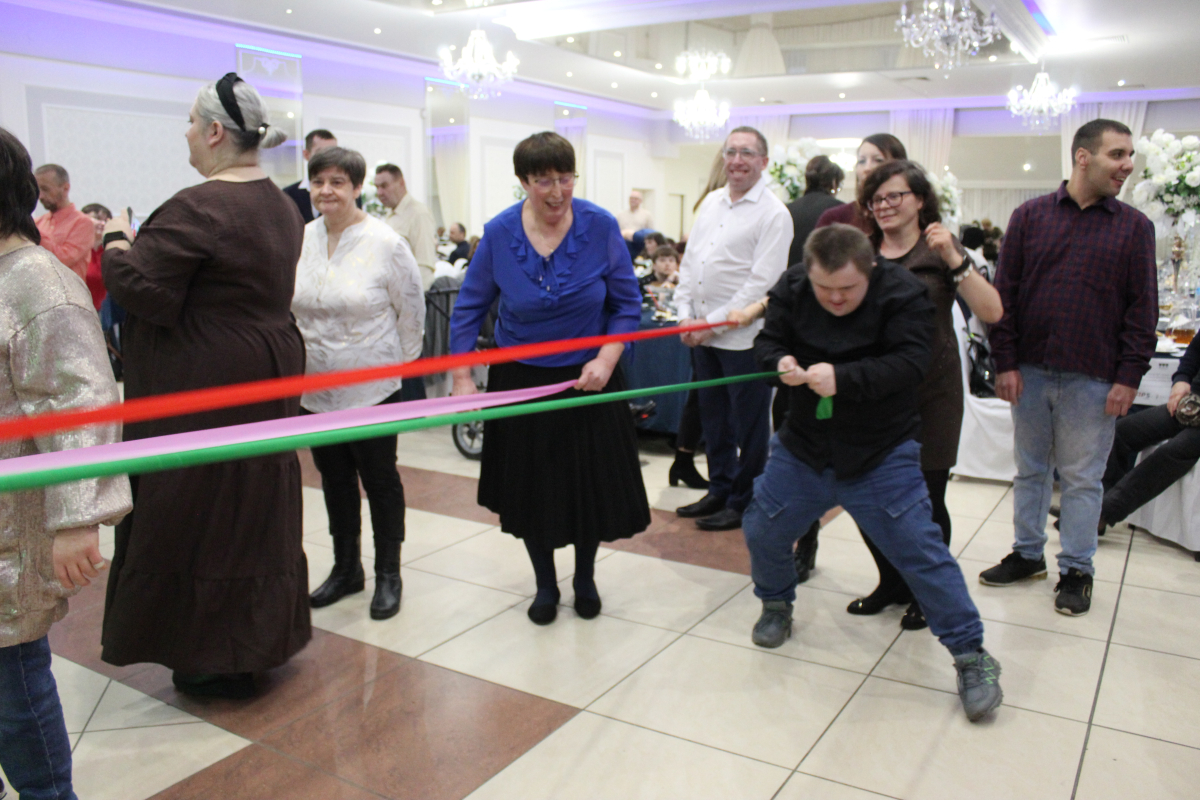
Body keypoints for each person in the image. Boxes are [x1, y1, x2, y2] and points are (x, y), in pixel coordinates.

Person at [100, 73, 310, 699]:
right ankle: (252, 643)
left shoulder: (200, 206)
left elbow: (141, 287)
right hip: (267, 370)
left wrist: (115, 238)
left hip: (209, 383)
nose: (186, 133)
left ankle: (207, 651)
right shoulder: (279, 203)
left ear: (216, 131)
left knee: (198, 506)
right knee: (254, 504)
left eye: (192, 122)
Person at [743, 223, 1004, 722]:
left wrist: (842, 378)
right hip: (804, 446)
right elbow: (767, 342)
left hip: (880, 450)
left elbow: (911, 364)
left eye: (848, 288)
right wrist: (780, 361)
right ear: (808, 274)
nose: (835, 298)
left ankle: (972, 655)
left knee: (921, 553)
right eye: (824, 288)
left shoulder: (904, 293)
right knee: (761, 528)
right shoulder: (793, 286)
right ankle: (776, 604)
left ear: (870, 270)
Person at [448, 131, 649, 625]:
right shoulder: (499, 233)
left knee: (587, 486)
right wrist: (462, 377)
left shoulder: (600, 226)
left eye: (565, 178)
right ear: (523, 182)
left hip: (589, 377)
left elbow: (627, 305)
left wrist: (607, 359)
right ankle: (544, 583)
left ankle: (584, 577)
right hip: (520, 380)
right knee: (531, 488)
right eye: (543, 181)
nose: (557, 192)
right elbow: (468, 308)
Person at [0, 126, 132, 800]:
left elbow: (81, 404)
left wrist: (77, 519)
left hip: (14, 524)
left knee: (14, 680)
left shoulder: (37, 282)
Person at [979, 119, 1157, 616]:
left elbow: (1142, 311)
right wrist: (1006, 362)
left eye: (1130, 155)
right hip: (1029, 371)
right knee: (1030, 471)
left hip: (1095, 376)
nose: (1128, 165)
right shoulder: (1030, 217)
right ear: (1083, 157)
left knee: (1082, 479)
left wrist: (1128, 377)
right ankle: (1027, 554)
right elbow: (1004, 298)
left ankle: (1077, 569)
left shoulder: (1135, 228)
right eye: (1117, 154)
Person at [845, 160, 1003, 628]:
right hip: (875, 395)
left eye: (895, 195)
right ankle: (891, 582)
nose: (885, 205)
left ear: (919, 199)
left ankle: (926, 590)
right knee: (869, 498)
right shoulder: (862, 252)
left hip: (932, 392)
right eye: (876, 199)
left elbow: (991, 310)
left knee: (927, 502)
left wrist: (954, 258)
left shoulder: (940, 248)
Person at [292, 147, 425, 621]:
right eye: (318, 182)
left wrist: (397, 369)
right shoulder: (302, 237)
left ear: (356, 187)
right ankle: (347, 567)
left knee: (380, 480)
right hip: (315, 387)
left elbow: (412, 311)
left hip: (372, 389)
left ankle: (389, 572)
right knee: (334, 480)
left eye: (337, 182)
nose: (326, 191)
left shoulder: (385, 242)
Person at [673, 126, 793, 532]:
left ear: (764, 161)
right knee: (714, 420)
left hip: (743, 339)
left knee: (749, 427)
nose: (737, 160)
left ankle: (744, 501)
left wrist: (708, 326)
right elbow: (690, 264)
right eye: (731, 152)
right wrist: (684, 315)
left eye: (747, 153)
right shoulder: (711, 202)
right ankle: (720, 488)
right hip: (701, 334)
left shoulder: (774, 214)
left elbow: (760, 285)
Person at [1098, 335, 1200, 531]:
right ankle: (1093, 504)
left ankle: (1103, 514)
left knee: (1173, 451)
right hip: (1191, 404)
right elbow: (1194, 352)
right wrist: (1181, 380)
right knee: (1121, 432)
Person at [814, 134, 908, 233]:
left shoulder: (910, 215)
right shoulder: (835, 218)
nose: (867, 168)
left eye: (878, 160)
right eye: (862, 161)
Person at [375, 163, 438, 289]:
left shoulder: (419, 214)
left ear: (401, 183)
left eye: (384, 186)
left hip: (408, 294)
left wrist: (415, 297)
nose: (379, 192)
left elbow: (425, 265)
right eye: (377, 187)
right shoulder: (390, 214)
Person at [33, 163, 93, 283]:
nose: (40, 196)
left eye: (45, 189)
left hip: (69, 292)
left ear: (65, 188)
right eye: (38, 190)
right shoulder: (38, 222)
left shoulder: (83, 223)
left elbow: (62, 260)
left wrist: (33, 231)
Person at [786, 155, 845, 267]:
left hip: (790, 274)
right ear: (834, 183)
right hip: (825, 273)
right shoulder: (840, 209)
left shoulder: (787, 209)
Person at [282, 128, 338, 223]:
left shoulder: (348, 193)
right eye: (321, 152)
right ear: (306, 154)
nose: (328, 158)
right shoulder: (288, 195)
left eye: (333, 152)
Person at [81, 202, 112, 310]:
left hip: (103, 310)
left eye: (106, 220)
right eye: (97, 218)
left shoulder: (111, 251)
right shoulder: (75, 250)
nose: (102, 223)